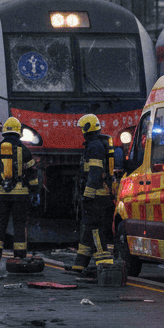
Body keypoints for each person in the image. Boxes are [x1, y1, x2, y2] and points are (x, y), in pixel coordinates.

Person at [0, 117, 39, 272]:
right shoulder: (25, 151)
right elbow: (32, 174)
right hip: (20, 195)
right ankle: (20, 258)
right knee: (19, 225)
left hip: (1, 194)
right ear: (18, 132)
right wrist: (34, 193)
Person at [70, 114, 116, 275]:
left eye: (82, 128)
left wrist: (88, 194)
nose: (81, 131)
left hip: (96, 195)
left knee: (95, 228)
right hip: (97, 194)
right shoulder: (94, 144)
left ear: (87, 128)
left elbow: (95, 172)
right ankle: (79, 264)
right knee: (89, 227)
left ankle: (104, 264)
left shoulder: (94, 146)